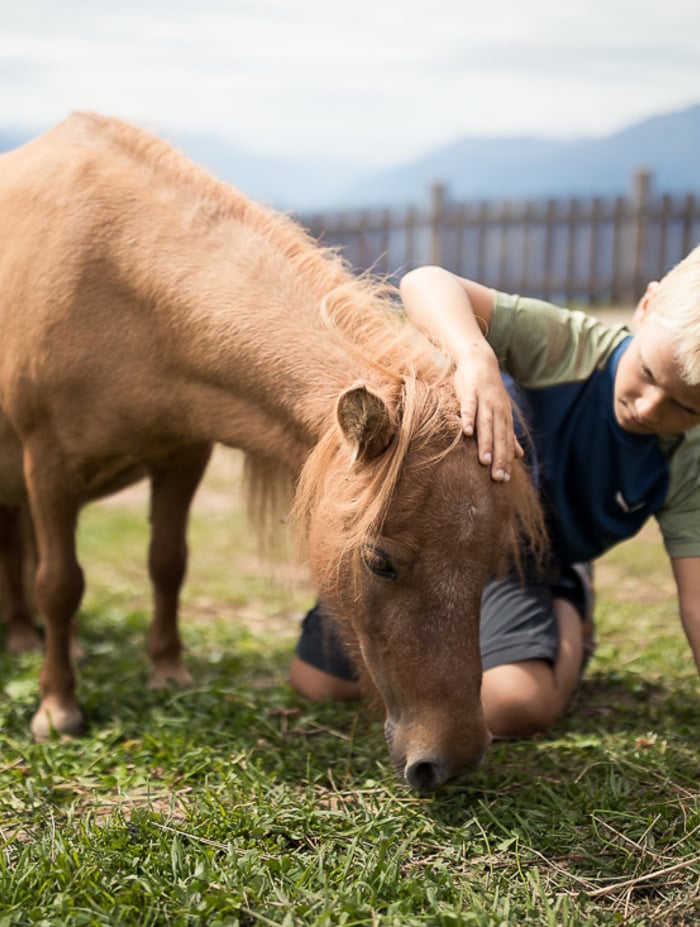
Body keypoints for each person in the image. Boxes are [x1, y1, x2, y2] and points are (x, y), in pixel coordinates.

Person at [288, 246, 700, 739]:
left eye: (687, 407)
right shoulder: (566, 344)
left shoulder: (689, 458)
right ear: (647, 306)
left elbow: (696, 598)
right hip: (440, 542)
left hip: (525, 561)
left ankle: (570, 617)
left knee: (511, 707)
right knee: (318, 685)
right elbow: (425, 281)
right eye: (650, 374)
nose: (651, 408)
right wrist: (473, 355)